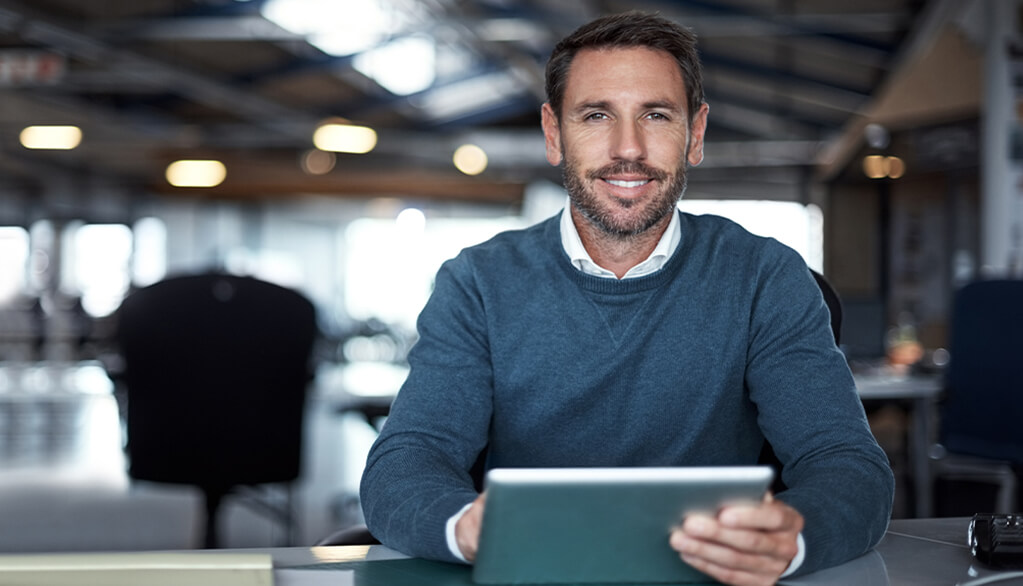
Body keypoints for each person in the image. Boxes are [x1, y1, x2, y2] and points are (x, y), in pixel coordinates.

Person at [360, 10, 894, 585]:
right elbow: (405, 463)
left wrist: (791, 539)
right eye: (595, 116)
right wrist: (463, 525)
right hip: (530, 573)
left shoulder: (765, 276)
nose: (628, 148)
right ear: (553, 133)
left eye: (657, 115)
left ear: (695, 134)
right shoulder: (478, 282)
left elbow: (848, 464)